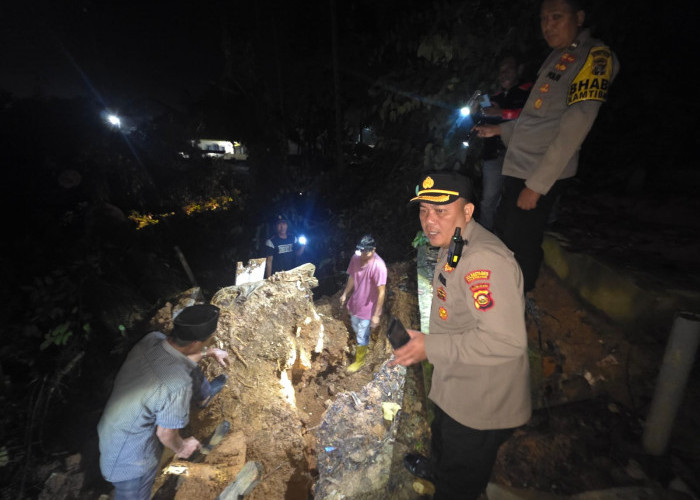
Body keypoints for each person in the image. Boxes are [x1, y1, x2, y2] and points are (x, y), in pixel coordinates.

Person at [392, 171, 530, 500]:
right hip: (457, 381)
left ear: (467, 212)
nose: (429, 220)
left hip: (480, 403)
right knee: (442, 437)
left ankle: (451, 483)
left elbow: (506, 340)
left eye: (441, 211)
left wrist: (431, 345)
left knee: (461, 482)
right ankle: (439, 469)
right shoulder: (457, 240)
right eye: (424, 210)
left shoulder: (484, 260)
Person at [474, 0, 620, 293]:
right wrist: (498, 129)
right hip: (520, 164)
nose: (548, 25)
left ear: (578, 17)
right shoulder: (558, 56)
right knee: (506, 234)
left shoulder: (594, 57)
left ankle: (517, 305)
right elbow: (537, 118)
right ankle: (501, 296)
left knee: (522, 243)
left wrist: (538, 185)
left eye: (556, 17)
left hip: (537, 171)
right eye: (543, 18)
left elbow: (577, 122)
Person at [97, 304, 230, 500]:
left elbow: (179, 356)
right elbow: (166, 434)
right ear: (195, 342)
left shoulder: (152, 339)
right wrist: (182, 447)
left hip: (114, 426)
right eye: (208, 339)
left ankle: (205, 396)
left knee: (189, 367)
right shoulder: (177, 385)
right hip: (128, 458)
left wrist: (208, 352)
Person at [478, 55, 532, 232]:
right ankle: (486, 237)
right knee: (488, 200)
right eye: (501, 71)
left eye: (508, 69)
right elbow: (480, 121)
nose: (504, 74)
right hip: (493, 155)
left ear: (519, 70)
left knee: (515, 198)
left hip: (520, 156)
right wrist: (476, 114)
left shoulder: (530, 91)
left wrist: (501, 112)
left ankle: (511, 237)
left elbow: (533, 119)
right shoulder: (494, 97)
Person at [339, 235, 387, 373]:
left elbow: (382, 292)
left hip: (368, 308)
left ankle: (360, 361)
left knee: (361, 333)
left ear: (373, 250)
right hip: (355, 302)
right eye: (361, 251)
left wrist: (377, 314)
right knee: (355, 326)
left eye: (366, 252)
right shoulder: (356, 258)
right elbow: (353, 277)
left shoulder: (379, 266)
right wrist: (345, 294)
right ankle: (360, 342)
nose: (362, 255)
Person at [264, 214, 306, 278]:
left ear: (287, 225)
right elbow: (269, 262)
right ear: (275, 226)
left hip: (291, 273)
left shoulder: (293, 238)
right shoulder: (271, 242)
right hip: (277, 276)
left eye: (284, 223)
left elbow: (297, 254)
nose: (282, 226)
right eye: (279, 224)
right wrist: (268, 279)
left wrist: (303, 245)